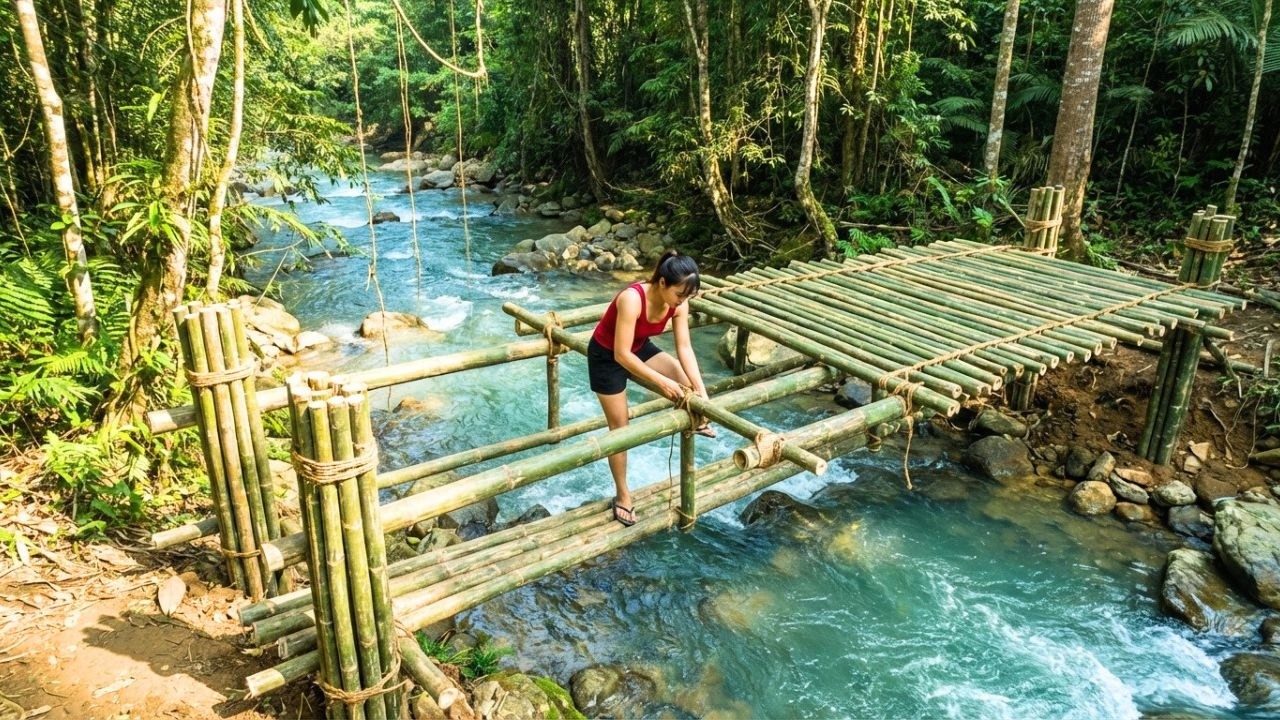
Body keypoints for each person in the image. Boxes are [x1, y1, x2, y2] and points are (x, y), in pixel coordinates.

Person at [588, 250, 717, 526]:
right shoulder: (631, 299)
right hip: (607, 355)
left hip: (639, 344)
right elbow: (622, 355)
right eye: (679, 294)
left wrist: (701, 391)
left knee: (684, 380)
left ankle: (697, 420)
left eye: (687, 297)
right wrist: (661, 382)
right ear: (662, 284)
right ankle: (623, 495)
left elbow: (684, 347)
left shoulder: (679, 304)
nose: (682, 301)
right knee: (620, 429)